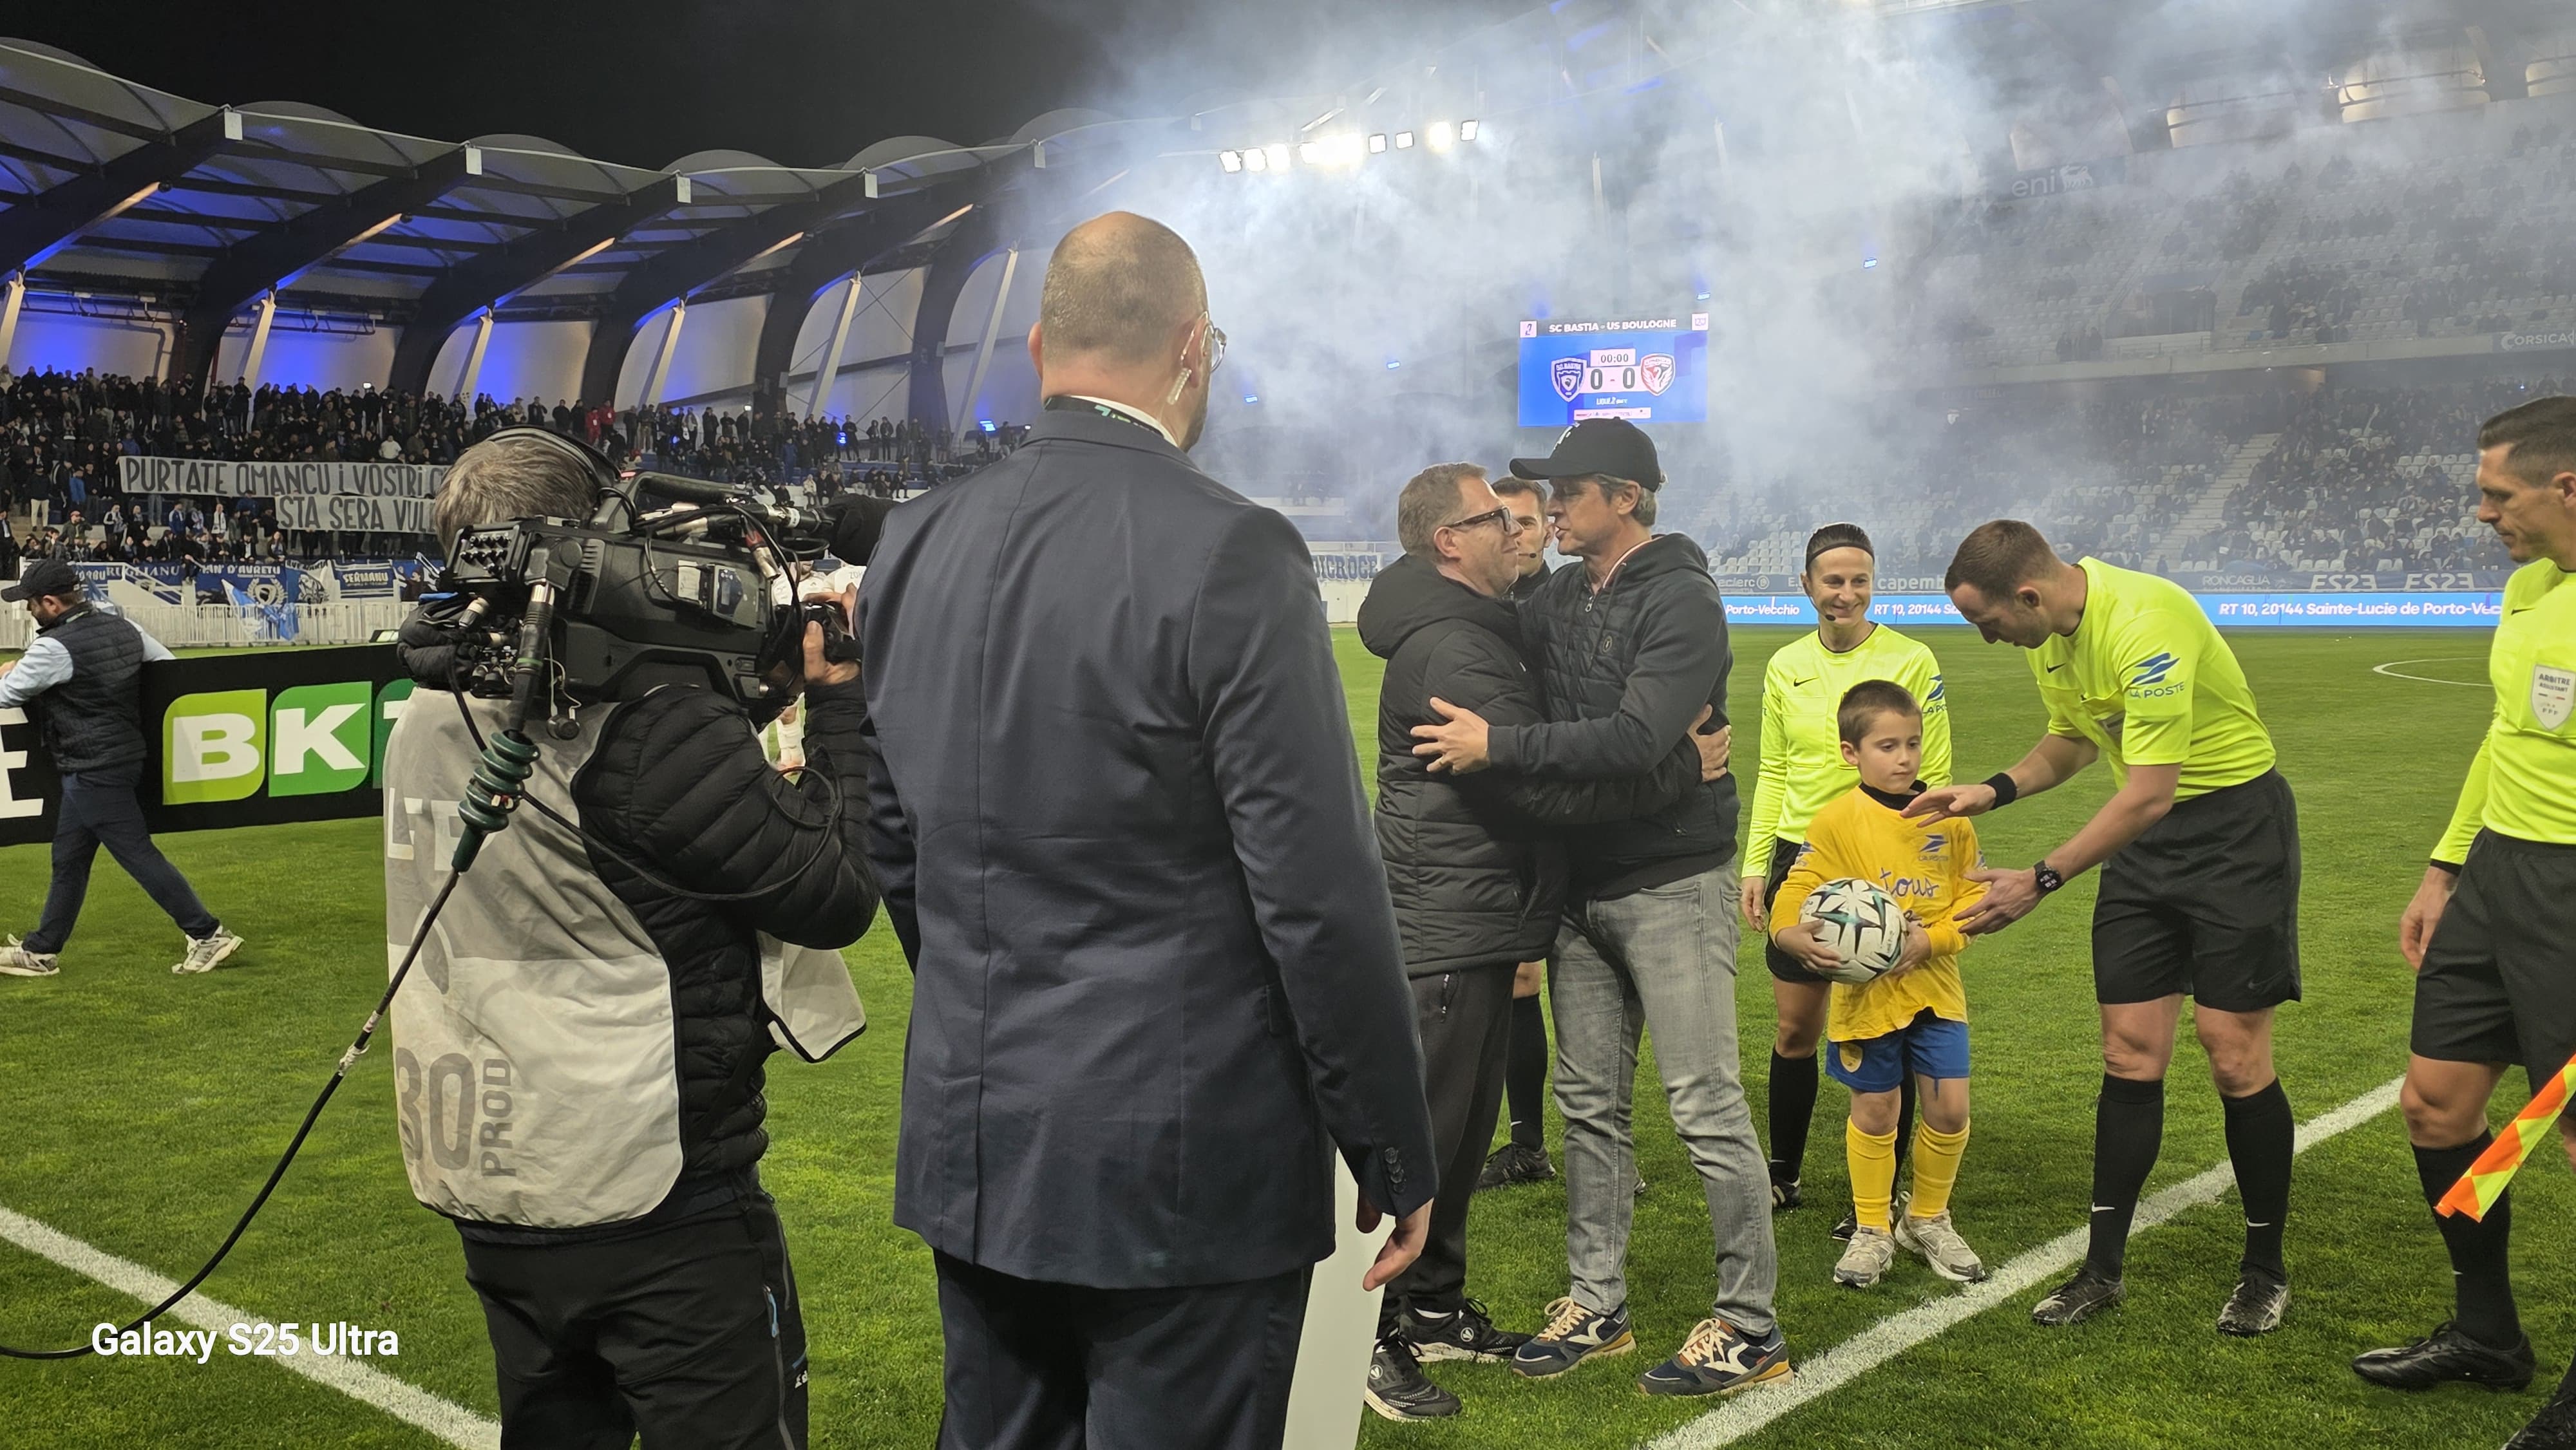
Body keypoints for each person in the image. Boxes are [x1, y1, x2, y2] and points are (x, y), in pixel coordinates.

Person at [857, 212, 1437, 1450]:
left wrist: (990, 1010)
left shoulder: (912, 539)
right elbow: (1319, 893)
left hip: (981, 1134)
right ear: (1194, 349)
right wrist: (1389, 1135)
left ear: (1037, 346)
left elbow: (893, 840)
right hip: (1180, 1168)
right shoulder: (1232, 547)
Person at [382, 429, 882, 1449]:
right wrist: (837, 706)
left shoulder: (424, 709)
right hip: (651, 1191)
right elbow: (831, 892)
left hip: (495, 1175)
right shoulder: (642, 730)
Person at [1410, 418, 1785, 1398]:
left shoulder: (1687, 600)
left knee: (1704, 1106)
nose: (1548, 513)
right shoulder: (1561, 593)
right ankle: (1597, 1303)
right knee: (1587, 1108)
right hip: (1579, 889)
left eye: (1569, 493)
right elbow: (1436, 595)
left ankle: (1749, 1325)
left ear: (1625, 498)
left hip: (1671, 881)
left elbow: (1629, 739)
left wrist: (1501, 747)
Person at [1356, 460, 1726, 1421]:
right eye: (1497, 519)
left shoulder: (1481, 626)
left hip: (1477, 915)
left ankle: (1432, 1310)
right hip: (1447, 919)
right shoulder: (1459, 651)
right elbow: (1541, 790)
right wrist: (1681, 769)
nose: (1523, 531)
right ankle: (1374, 1335)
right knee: (1422, 1140)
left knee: (1463, 1132)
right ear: (1450, 542)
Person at [1917, 519, 2298, 1335]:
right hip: (2147, 844)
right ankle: (2101, 1267)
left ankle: (2263, 1269)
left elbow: (2151, 789)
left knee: (2233, 1054)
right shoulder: (2050, 636)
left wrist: (2042, 877)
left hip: (2235, 834)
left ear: (2028, 593)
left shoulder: (2145, 620)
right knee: (2128, 1051)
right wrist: (1991, 789)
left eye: (1987, 623)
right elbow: (2072, 743)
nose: (1988, 639)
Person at [2355, 396, 2576, 1450]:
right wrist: (2448, 864)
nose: (2483, 512)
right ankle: (2488, 1332)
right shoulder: (2530, 590)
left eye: (2499, 494)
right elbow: (2505, 738)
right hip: (2495, 877)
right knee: (2437, 1106)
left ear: (2564, 485)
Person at [1740, 523, 1949, 1232]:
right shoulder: (1784, 665)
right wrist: (1753, 863)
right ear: (1806, 584)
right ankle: (1783, 1170)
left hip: (1883, 854)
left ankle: (1883, 1188)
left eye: (1859, 579)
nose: (1846, 593)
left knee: (1892, 1023)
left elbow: (1936, 769)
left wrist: (1926, 861)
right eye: (1832, 580)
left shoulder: (1911, 658)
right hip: (1802, 857)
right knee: (1796, 1027)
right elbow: (1774, 769)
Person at [1769, 680, 1987, 1288]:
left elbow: (1974, 902)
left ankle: (1928, 1217)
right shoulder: (1838, 820)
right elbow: (1796, 886)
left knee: (1949, 1109)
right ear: (1850, 753)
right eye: (1887, 745)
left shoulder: (1950, 819)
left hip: (1938, 991)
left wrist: (1930, 940)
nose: (1905, 758)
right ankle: (1872, 1228)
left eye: (1912, 744)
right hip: (1866, 1001)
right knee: (1875, 1109)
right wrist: (1788, 935)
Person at [0, 560, 243, 979]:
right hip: (120, 756)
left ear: (52, 603)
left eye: (30, 604)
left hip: (92, 765)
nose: (27, 611)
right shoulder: (122, 626)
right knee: (69, 858)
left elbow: (7, 694)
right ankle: (42, 950)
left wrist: (12, 671)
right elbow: (165, 666)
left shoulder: (52, 648)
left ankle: (207, 933)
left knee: (137, 854)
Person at [1479, 471, 1563, 1192]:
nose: (1518, 533)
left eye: (1529, 521)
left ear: (1547, 528)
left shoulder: (1568, 607)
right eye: (1504, 521)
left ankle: (1592, 1146)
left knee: (1583, 979)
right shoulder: (1483, 608)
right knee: (1517, 978)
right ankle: (1528, 1141)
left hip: (1570, 811)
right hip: (1508, 812)